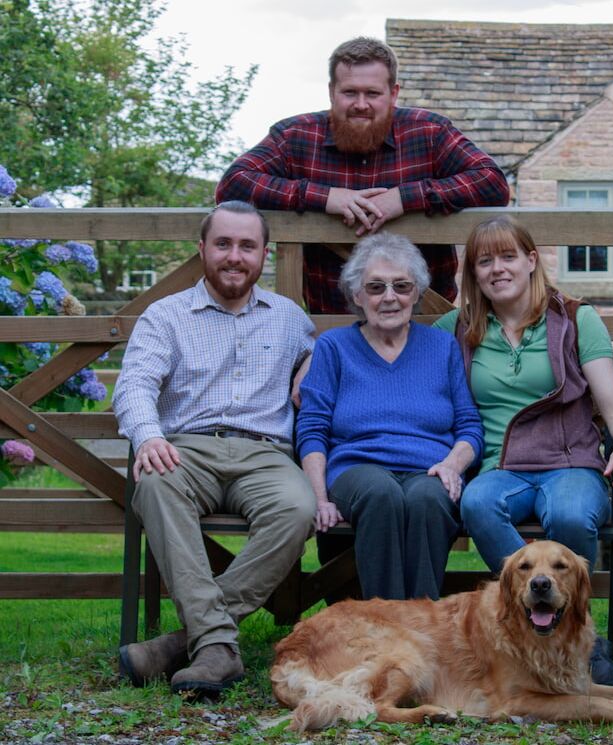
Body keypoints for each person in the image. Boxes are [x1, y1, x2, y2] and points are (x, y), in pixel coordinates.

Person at [113, 201, 316, 698]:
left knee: (299, 508)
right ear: (202, 249)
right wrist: (149, 435)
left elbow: (322, 363)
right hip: (186, 449)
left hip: (265, 453)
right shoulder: (167, 315)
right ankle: (217, 645)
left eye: (247, 246)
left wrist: (315, 366)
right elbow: (134, 384)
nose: (234, 256)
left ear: (264, 255)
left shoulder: (290, 318)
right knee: (154, 484)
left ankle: (186, 643)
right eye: (223, 244)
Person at [434, 215, 613, 685]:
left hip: (569, 463)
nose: (497, 269)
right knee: (478, 504)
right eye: (484, 261)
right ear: (472, 273)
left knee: (571, 514)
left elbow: (612, 401)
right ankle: (529, 620)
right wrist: (313, 363)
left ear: (531, 261)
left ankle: (579, 638)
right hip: (499, 466)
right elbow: (399, 350)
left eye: (508, 257)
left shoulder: (575, 318)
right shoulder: (457, 325)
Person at [215, 36, 509, 313]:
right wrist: (325, 197)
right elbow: (233, 185)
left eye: (372, 93)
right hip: (329, 322)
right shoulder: (295, 136)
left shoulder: (429, 131)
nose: (360, 104)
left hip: (425, 319)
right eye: (349, 92)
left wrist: (405, 198)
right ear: (332, 92)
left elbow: (492, 183)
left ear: (393, 94)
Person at [295, 232, 483, 600]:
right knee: (382, 494)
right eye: (376, 287)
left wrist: (452, 466)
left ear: (416, 292)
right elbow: (312, 429)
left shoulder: (441, 345)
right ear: (357, 296)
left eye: (401, 285)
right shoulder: (334, 346)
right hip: (356, 469)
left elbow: (469, 426)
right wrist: (320, 498)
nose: (390, 297)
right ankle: (386, 628)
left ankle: (421, 628)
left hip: (428, 468)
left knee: (428, 499)